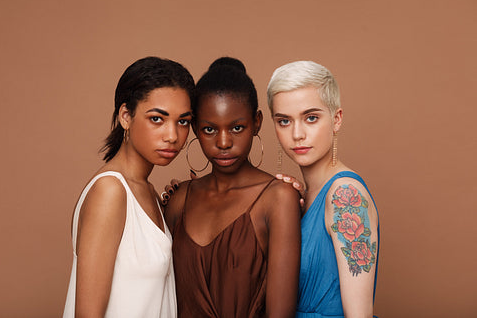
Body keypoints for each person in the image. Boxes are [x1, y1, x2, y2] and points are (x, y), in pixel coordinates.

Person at [164, 57, 301, 318]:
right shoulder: (179, 198)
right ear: (194, 128)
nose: (224, 142)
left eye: (237, 128)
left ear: (257, 122)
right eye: (209, 129)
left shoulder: (278, 199)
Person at [63, 57, 195, 318]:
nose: (172, 135)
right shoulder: (110, 191)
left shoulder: (149, 193)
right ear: (126, 116)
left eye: (183, 121)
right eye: (157, 119)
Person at [267, 60, 379, 317]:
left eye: (311, 118)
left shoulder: (344, 195)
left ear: (336, 119)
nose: (297, 133)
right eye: (284, 121)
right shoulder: (301, 197)